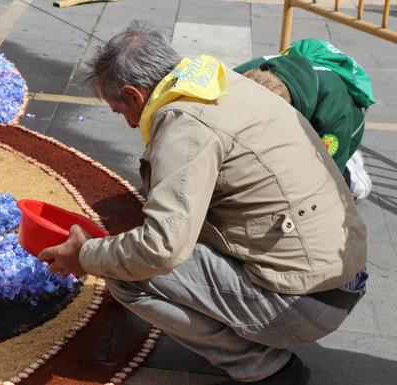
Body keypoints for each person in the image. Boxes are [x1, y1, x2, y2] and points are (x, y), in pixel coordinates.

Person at [39, 22, 368, 385]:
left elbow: (160, 249)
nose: (131, 125)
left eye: (121, 112)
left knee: (127, 274)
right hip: (339, 274)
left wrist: (85, 256)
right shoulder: (222, 80)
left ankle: (265, 370)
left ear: (134, 95)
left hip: (303, 302)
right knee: (158, 237)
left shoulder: (185, 126)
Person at [234, 41, 374, 201]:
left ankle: (351, 172)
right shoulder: (238, 78)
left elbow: (326, 182)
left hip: (341, 127)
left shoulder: (336, 113)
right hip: (301, 105)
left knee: (303, 182)